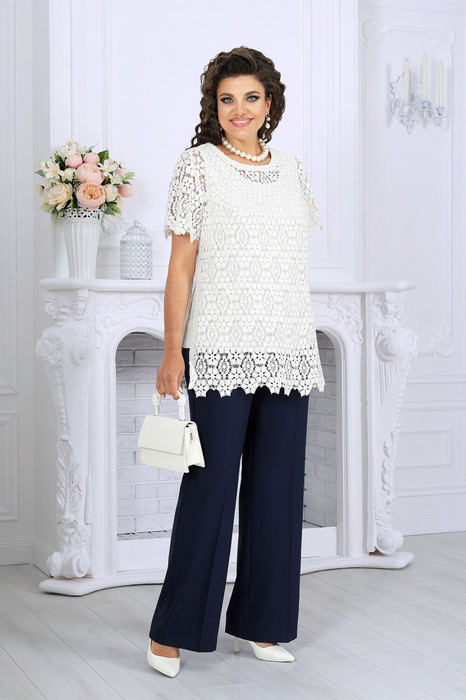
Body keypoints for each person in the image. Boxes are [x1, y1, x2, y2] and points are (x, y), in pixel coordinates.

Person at [147, 46, 324, 678]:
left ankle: (262, 624)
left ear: (269, 103)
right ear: (214, 107)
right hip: (219, 346)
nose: (239, 109)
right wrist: (173, 349)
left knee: (278, 493)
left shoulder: (294, 170)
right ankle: (170, 633)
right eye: (227, 99)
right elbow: (181, 267)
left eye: (250, 97)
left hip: (289, 349)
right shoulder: (198, 166)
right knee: (210, 486)